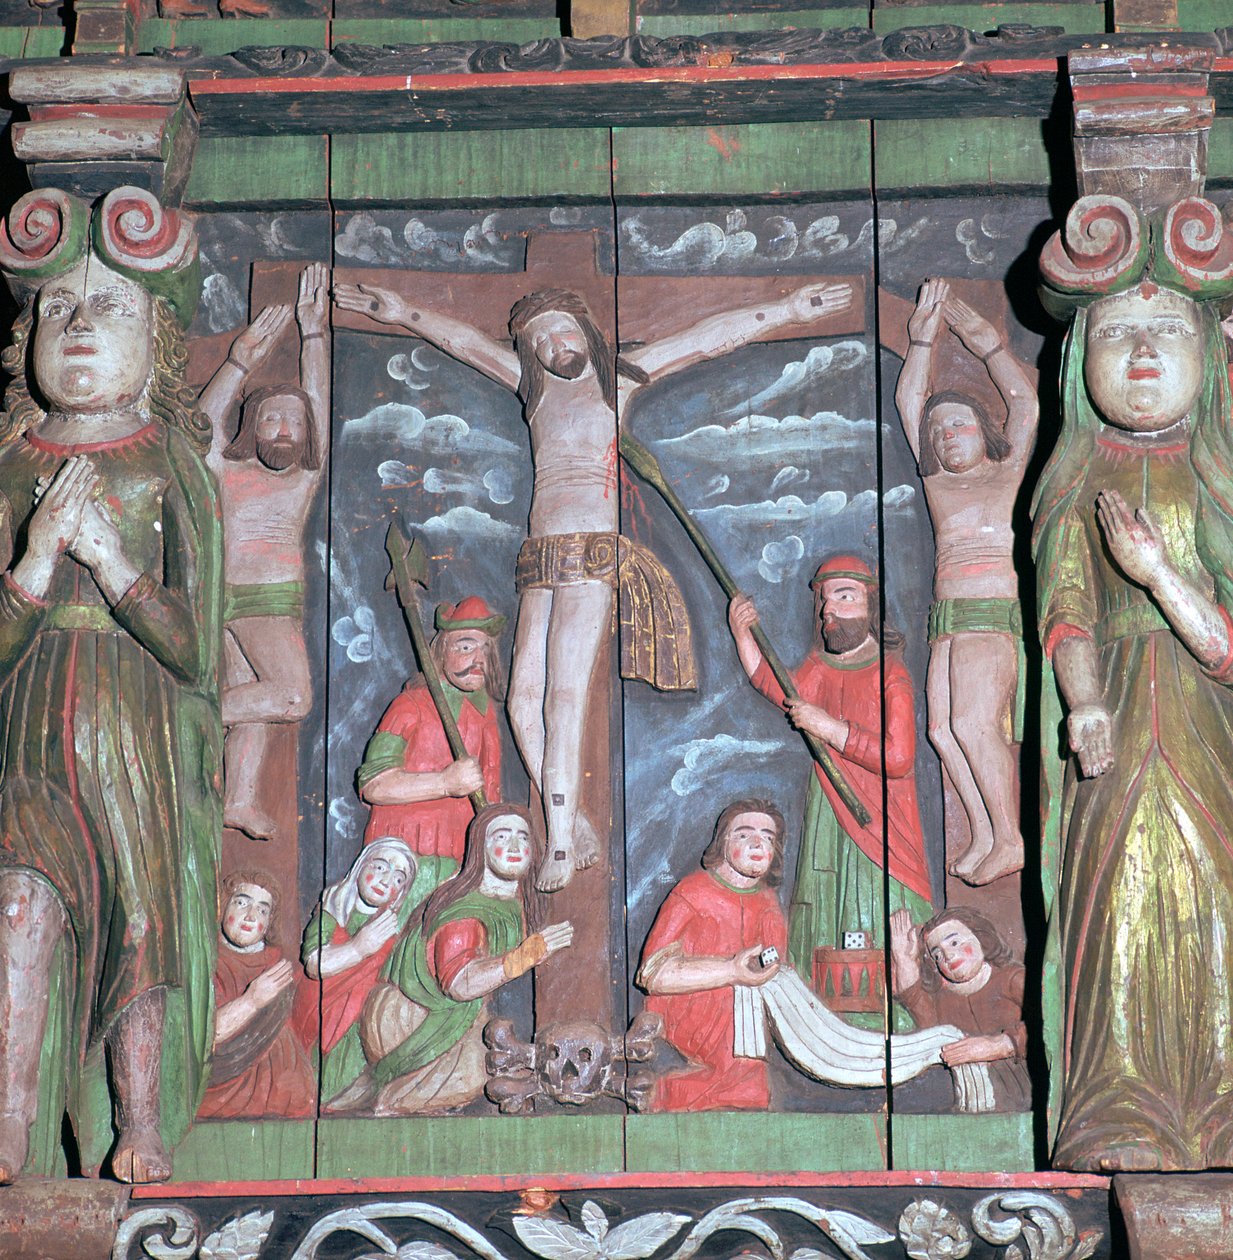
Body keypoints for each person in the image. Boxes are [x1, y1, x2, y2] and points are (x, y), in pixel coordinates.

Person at [334, 277, 851, 890]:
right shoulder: (533, 390)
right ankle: (570, 816)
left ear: (587, 333)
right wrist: (402, 310)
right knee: (521, 700)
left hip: (592, 554)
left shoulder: (617, 384)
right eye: (541, 342)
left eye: (564, 332)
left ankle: (556, 842)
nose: (556, 346)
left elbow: (704, 340)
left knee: (564, 696)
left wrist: (787, 308)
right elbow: (465, 343)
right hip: (541, 556)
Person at [0, 187, 222, 1183]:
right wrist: (38, 555)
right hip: (30, 718)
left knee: (141, 920)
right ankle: (11, 1125)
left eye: (110, 307)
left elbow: (193, 648)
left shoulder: (166, 462)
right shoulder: (11, 468)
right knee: (19, 904)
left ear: (157, 344)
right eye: (58, 308)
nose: (80, 324)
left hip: (134, 725)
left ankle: (140, 1122)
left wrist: (109, 558)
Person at [1034, 275, 1233, 1171]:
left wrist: (1156, 573)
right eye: (1118, 332)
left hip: (1205, 717)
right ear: (1082, 357)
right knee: (1112, 898)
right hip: (1113, 708)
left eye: (1166, 330)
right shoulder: (1078, 478)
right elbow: (1065, 610)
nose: (1144, 351)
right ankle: (1117, 1102)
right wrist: (1083, 704)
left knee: (1213, 901)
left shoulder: (1216, 476)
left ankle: (1220, 1098)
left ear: (1209, 353)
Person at [728, 557, 933, 991]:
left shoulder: (890, 672)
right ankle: (819, 997)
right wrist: (743, 633)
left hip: (882, 818)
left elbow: (899, 757)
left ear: (871, 607)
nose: (830, 610)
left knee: (876, 903)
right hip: (830, 806)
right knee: (825, 905)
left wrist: (829, 728)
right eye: (824, 601)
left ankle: (898, 996)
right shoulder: (821, 666)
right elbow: (777, 687)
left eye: (845, 596)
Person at [895, 279, 1038, 885]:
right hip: (947, 618)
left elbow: (1025, 405)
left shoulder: (1006, 474)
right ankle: (984, 831)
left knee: (977, 725)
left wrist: (987, 346)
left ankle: (1010, 837)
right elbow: (909, 402)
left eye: (960, 425)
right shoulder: (938, 484)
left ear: (984, 430)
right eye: (940, 431)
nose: (948, 436)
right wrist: (921, 342)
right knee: (942, 730)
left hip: (990, 612)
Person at [197, 263, 330, 842]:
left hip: (273, 594)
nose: (282, 429)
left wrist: (315, 332)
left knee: (256, 704)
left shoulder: (301, 477)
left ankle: (240, 798)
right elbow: (202, 425)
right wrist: (238, 361)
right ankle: (191, 710)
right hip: (241, 596)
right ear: (251, 425)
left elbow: (318, 398)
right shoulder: (228, 471)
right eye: (271, 418)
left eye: (293, 422)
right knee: (291, 695)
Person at [333, 804, 573, 1115]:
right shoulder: (467, 909)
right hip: (410, 1019)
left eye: (523, 837)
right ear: (481, 848)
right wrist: (525, 956)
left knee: (502, 1066)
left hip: (450, 1017)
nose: (514, 846)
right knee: (478, 1074)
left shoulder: (510, 902)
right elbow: (459, 984)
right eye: (502, 836)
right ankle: (399, 1095)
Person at [637, 801, 788, 1111]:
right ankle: (659, 1092)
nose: (758, 844)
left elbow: (774, 963)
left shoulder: (768, 902)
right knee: (747, 1082)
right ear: (723, 843)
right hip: (688, 1008)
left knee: (752, 1077)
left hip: (744, 1012)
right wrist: (731, 970)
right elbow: (653, 974)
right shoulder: (692, 892)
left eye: (768, 837)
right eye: (744, 835)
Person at [357, 597, 504, 903]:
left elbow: (491, 796)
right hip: (404, 861)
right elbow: (374, 785)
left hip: (463, 865)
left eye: (485, 649)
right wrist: (444, 783)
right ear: (440, 652)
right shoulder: (410, 705)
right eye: (466, 646)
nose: (479, 658)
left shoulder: (485, 715)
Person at [301, 839, 418, 1106]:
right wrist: (358, 947)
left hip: (359, 1022)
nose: (386, 881)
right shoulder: (332, 909)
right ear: (360, 866)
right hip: (319, 1011)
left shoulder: (390, 932)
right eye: (380, 867)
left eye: (398, 879)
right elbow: (314, 963)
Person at [199, 871, 315, 1120]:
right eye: (242, 903)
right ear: (223, 906)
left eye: (262, 910)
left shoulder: (277, 964)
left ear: (270, 921)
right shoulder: (206, 962)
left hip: (283, 1087)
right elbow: (203, 1035)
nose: (251, 916)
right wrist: (252, 1001)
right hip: (220, 1087)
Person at [889, 906, 1028, 1113]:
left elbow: (1050, 1025)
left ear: (980, 937)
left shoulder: (1013, 979)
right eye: (937, 955)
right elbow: (919, 1007)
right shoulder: (945, 1000)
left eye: (954, 943)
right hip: (976, 1104)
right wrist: (903, 959)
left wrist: (1001, 1045)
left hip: (1026, 1094)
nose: (948, 956)